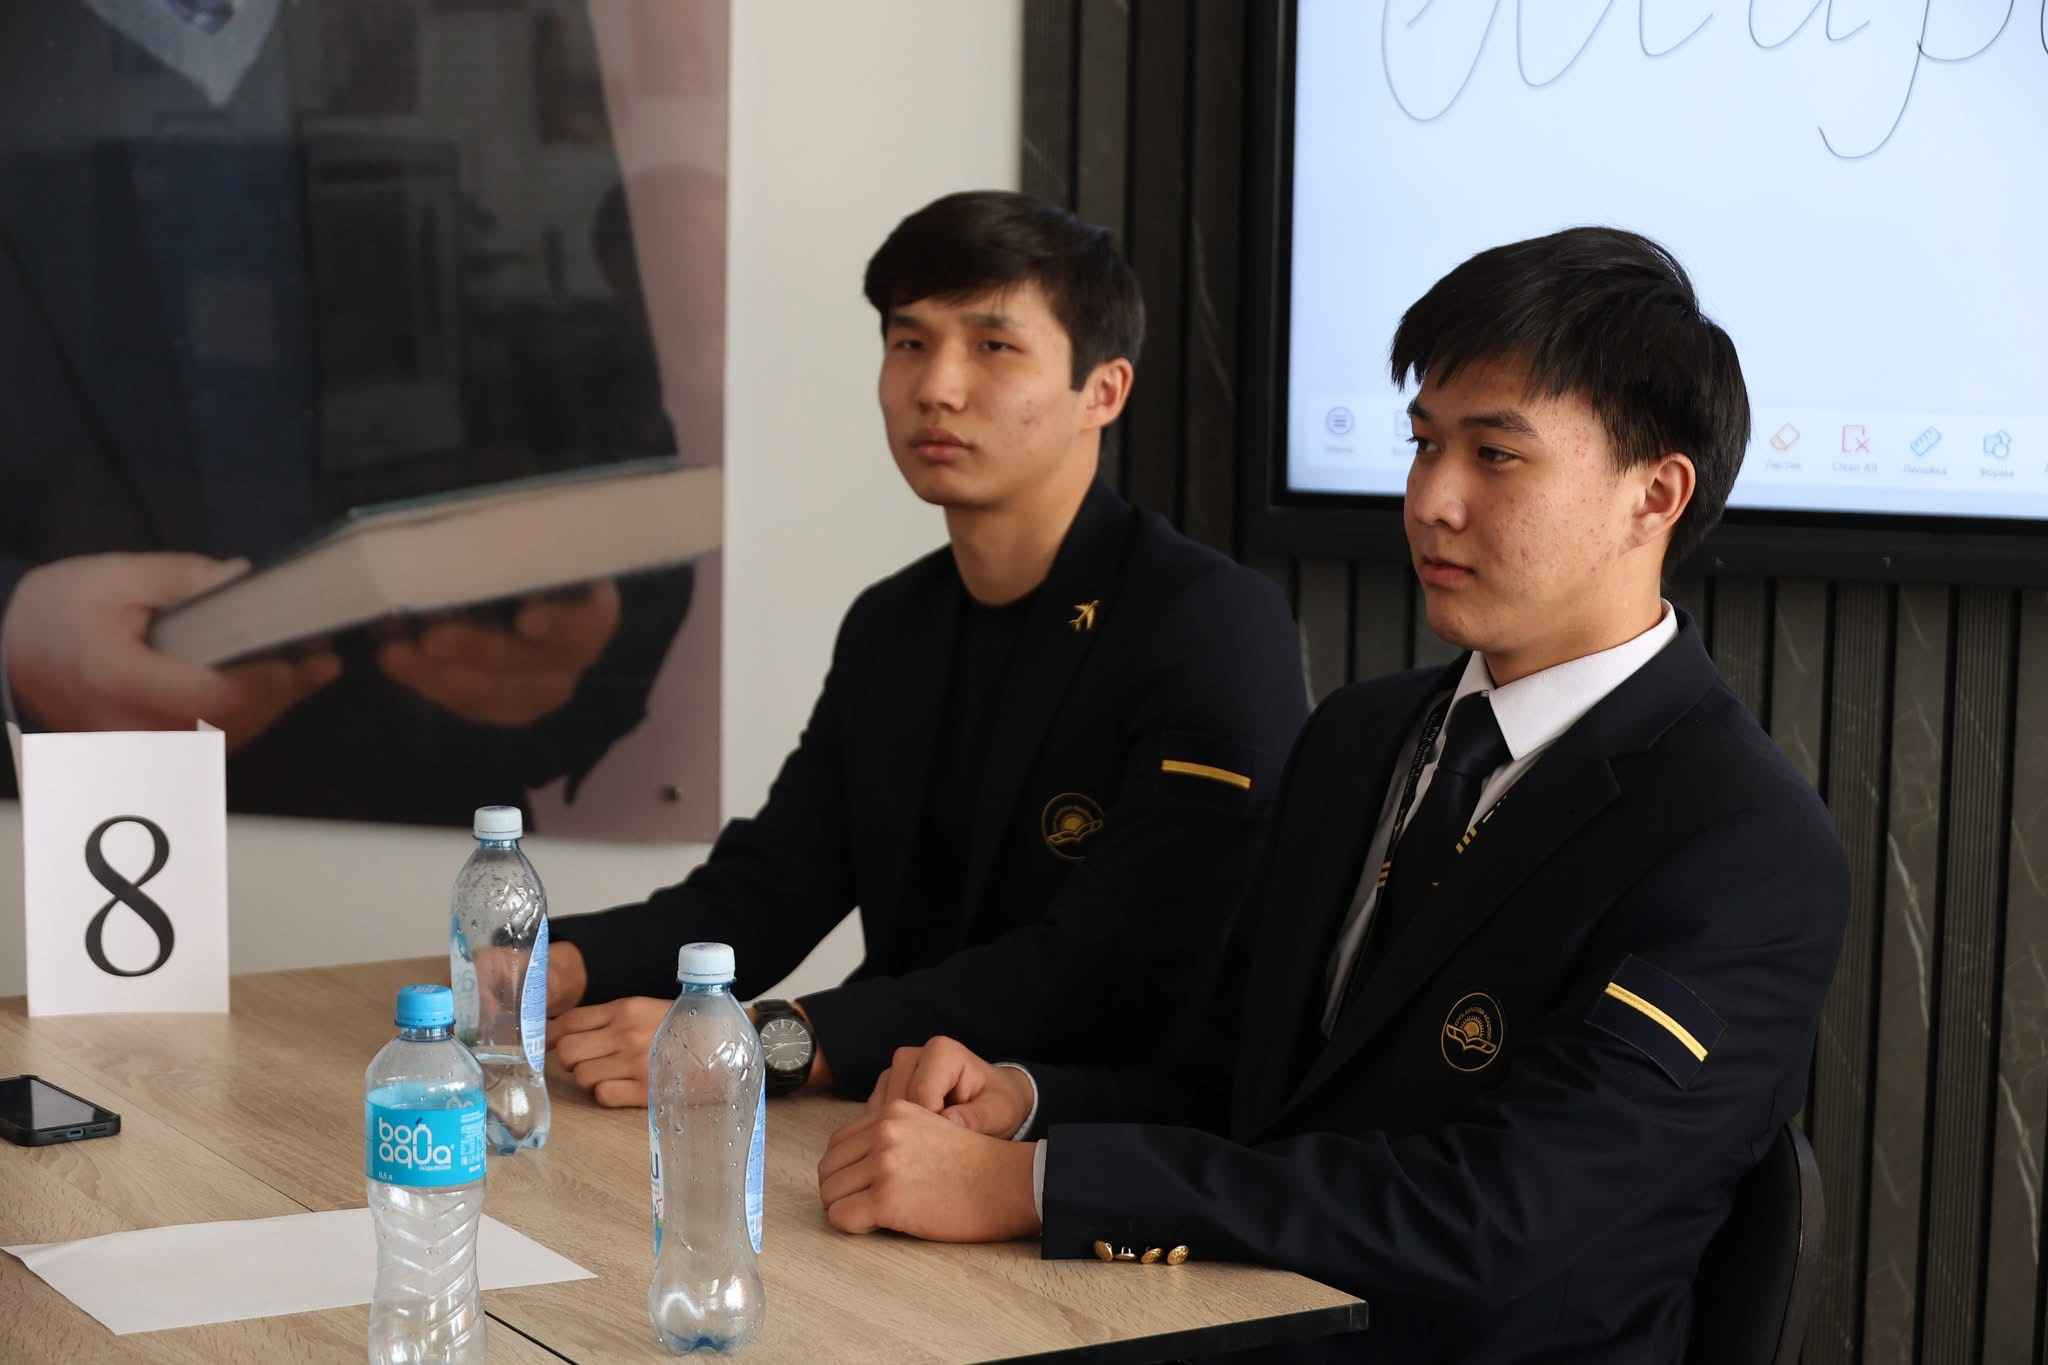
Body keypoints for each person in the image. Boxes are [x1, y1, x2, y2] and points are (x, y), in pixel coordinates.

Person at [812, 227, 1850, 1363]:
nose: (1432, 500)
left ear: (1655, 493)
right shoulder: (1362, 737)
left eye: (1494, 455)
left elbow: (1501, 1221)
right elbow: (1234, 1087)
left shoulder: (1742, 842)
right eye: (1423, 444)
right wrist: (1022, 1104)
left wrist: (1038, 1185)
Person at [544, 191, 1308, 1106]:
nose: (937, 387)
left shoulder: (1211, 623)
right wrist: (560, 962)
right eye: (910, 342)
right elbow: (772, 885)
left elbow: (1120, 965)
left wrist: (767, 1043)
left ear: (1102, 392)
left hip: (1080, 1140)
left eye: (993, 347)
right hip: (884, 1112)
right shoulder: (892, 623)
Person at [0, 1, 694, 826]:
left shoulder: (489, 20)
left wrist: (563, 658)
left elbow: (628, 507)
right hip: (50, 852)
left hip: (416, 843)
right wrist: (9, 657)